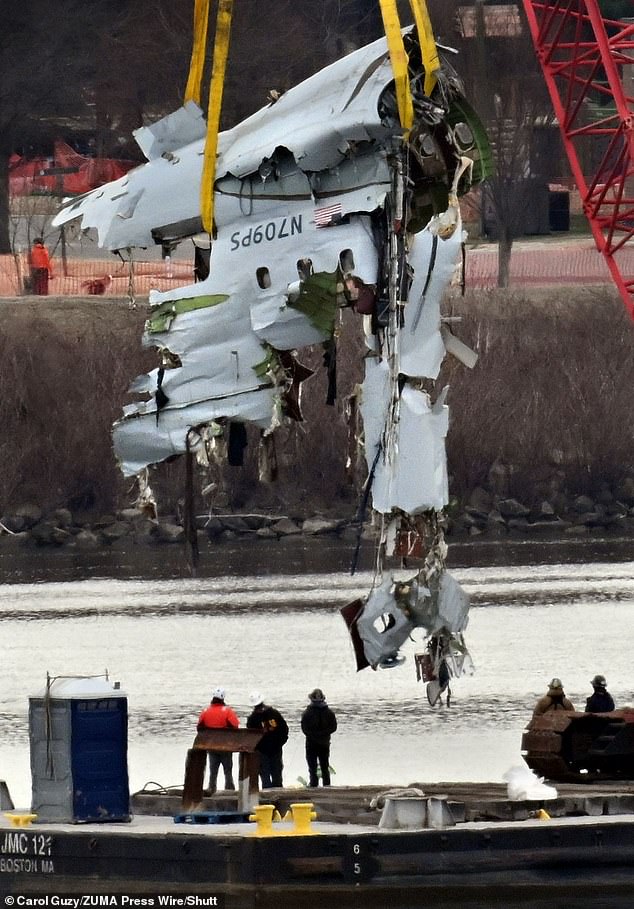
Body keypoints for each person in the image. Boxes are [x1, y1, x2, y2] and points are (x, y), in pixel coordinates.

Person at [197, 687, 239, 793]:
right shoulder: (227, 711)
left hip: (211, 746)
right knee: (228, 770)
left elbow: (199, 728)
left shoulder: (205, 711)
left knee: (213, 771)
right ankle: (229, 790)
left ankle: (211, 789)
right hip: (225, 746)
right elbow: (235, 726)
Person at [246, 691, 289, 788]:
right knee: (276, 773)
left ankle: (267, 796)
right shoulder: (274, 713)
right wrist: (280, 743)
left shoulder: (252, 718)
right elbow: (284, 729)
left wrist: (256, 747)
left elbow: (250, 736)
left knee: (265, 775)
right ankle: (278, 792)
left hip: (263, 750)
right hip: (274, 749)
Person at [301, 688, 337, 787]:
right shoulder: (329, 712)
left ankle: (313, 785)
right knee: (325, 766)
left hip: (311, 743)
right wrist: (323, 734)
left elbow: (304, 729)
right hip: (324, 743)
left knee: (312, 767)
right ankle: (327, 786)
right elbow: (333, 727)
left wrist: (314, 735)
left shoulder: (307, 713)